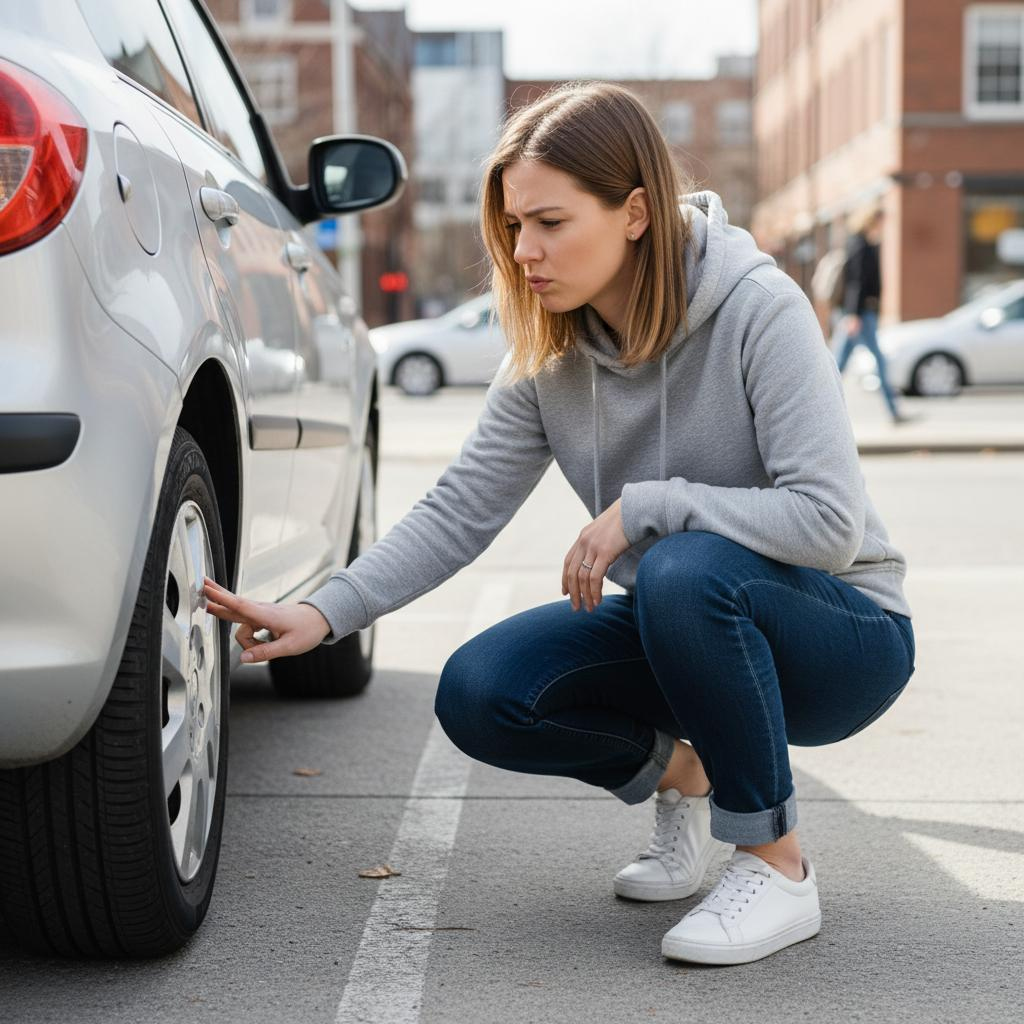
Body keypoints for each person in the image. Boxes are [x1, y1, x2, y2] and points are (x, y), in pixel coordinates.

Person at [202, 83, 915, 967]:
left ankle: (777, 864)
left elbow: (829, 523)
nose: (524, 252)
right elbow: (460, 508)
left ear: (635, 213)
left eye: (549, 222)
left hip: (841, 639)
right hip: (687, 623)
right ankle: (689, 775)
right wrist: (327, 611)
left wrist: (652, 506)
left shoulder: (759, 309)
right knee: (482, 689)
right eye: (511, 228)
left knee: (681, 566)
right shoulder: (548, 348)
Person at [832, 205, 905, 423]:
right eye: (881, 221)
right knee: (870, 361)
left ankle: (818, 408)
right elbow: (856, 282)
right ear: (871, 220)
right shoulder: (860, 245)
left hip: (861, 313)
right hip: (860, 314)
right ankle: (893, 410)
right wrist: (853, 315)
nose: (884, 226)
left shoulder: (865, 243)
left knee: (838, 364)